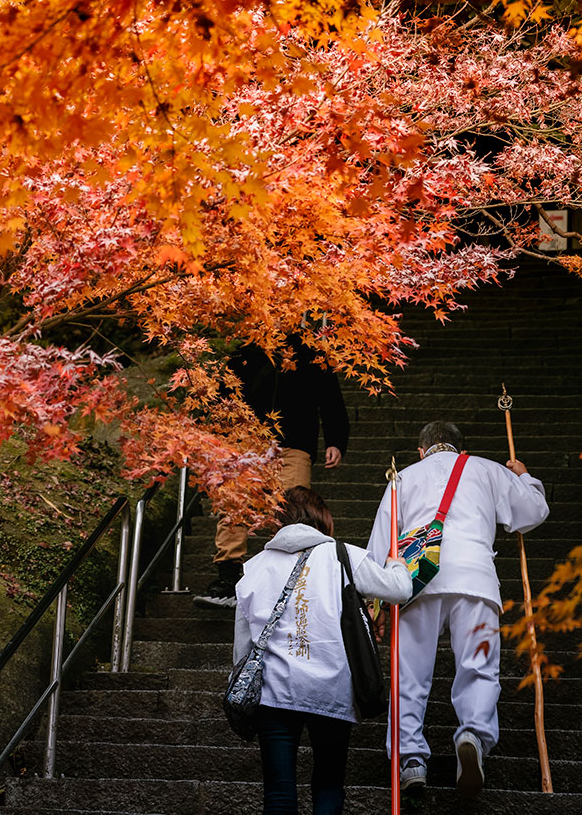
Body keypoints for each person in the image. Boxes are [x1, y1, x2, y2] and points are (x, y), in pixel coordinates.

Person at [364, 419, 549, 800]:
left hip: (414, 583)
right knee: (479, 669)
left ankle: (410, 759)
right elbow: (532, 512)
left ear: (422, 449)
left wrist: (374, 602)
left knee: (409, 674)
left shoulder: (403, 477)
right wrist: (525, 476)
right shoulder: (485, 469)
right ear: (460, 449)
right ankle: (474, 736)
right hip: (477, 580)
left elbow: (381, 543)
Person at [234, 487, 412, 815]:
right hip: (331, 689)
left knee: (278, 791)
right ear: (323, 519)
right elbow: (399, 589)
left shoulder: (253, 567)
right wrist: (396, 564)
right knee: (329, 784)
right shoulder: (344, 555)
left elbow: (243, 649)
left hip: (273, 694)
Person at [195, 339, 350, 608]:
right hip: (246, 443)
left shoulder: (312, 352)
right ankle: (228, 578)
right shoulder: (246, 349)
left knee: (293, 510)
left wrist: (335, 439)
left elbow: (329, 397)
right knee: (234, 505)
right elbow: (223, 393)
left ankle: (286, 580)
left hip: (295, 443)